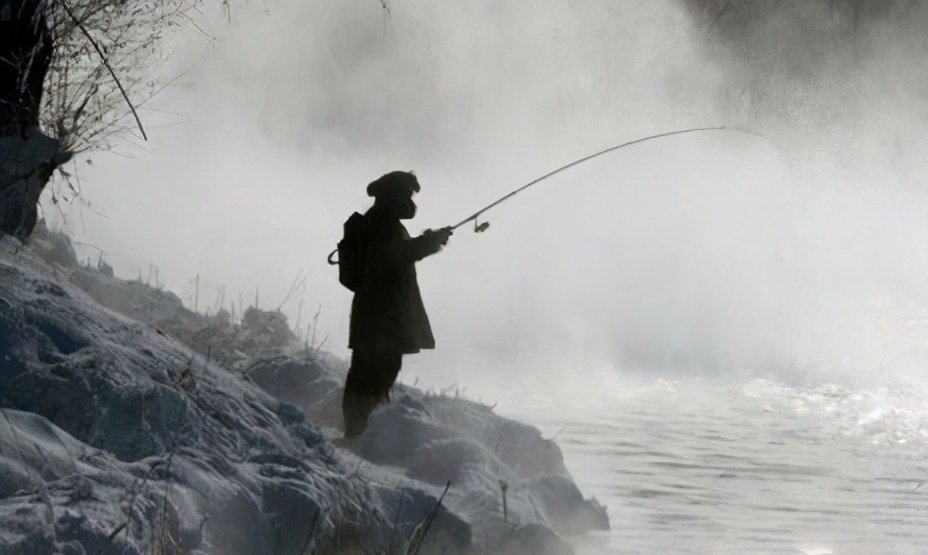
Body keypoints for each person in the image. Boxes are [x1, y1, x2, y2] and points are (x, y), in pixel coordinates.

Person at [342, 170, 452, 438]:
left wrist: (428, 240)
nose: (412, 200)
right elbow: (390, 256)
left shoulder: (382, 220)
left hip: (379, 317)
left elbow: (396, 253)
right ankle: (362, 438)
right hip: (381, 320)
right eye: (409, 194)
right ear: (396, 194)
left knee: (373, 375)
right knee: (373, 377)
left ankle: (364, 435)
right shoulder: (383, 221)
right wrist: (429, 243)